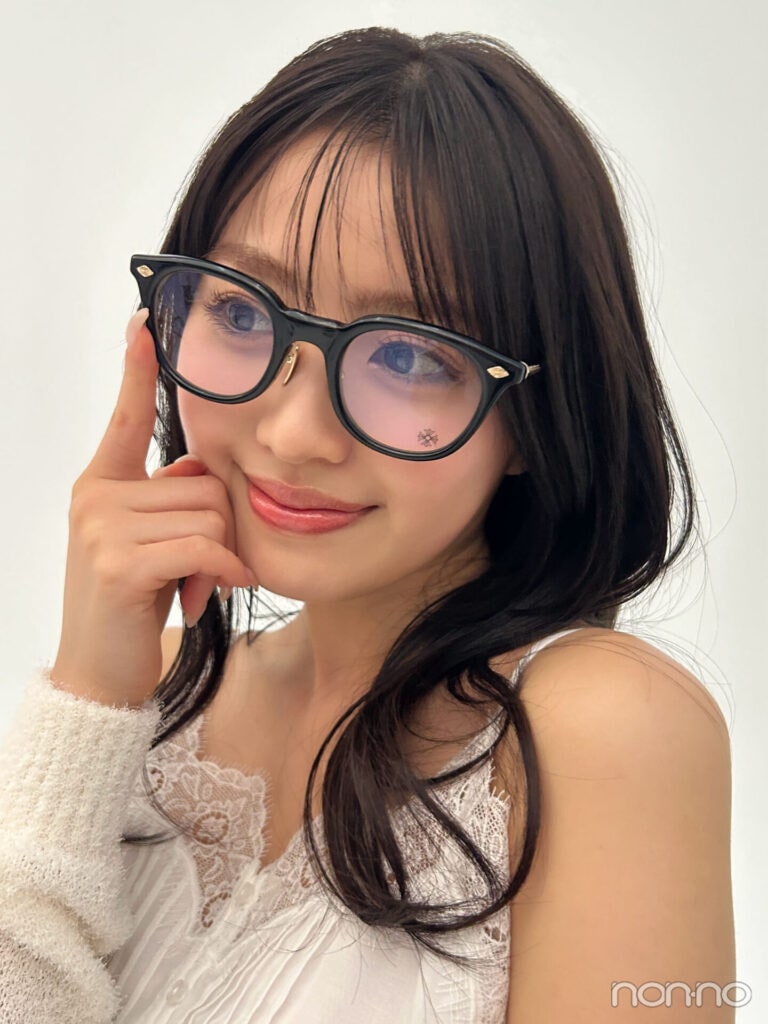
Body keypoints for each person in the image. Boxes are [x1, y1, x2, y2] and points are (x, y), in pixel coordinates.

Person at [0, 26, 735, 1024]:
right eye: (242, 311)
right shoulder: (146, 693)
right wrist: (85, 701)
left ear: (533, 416)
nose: (295, 433)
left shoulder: (599, 728)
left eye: (409, 356)